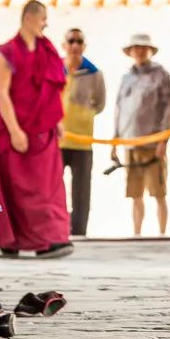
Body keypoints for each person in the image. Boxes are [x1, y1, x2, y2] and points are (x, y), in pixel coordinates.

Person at [0, 0, 73, 259]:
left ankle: (50, 239)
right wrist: (14, 130)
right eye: (42, 17)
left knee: (48, 188)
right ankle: (12, 240)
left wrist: (57, 121)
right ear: (28, 18)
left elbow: (51, 88)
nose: (45, 23)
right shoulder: (6, 52)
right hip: (16, 128)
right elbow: (1, 93)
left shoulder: (46, 50)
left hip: (42, 130)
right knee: (17, 188)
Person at [112, 32, 170, 237]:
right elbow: (118, 109)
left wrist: (164, 139)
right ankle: (137, 233)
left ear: (150, 50)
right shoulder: (126, 78)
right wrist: (115, 141)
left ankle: (162, 233)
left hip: (153, 142)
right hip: (130, 142)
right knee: (135, 193)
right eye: (136, 48)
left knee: (158, 191)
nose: (139, 51)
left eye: (143, 47)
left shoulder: (161, 75)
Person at [60, 27, 105, 237]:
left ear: (84, 46)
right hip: (58, 139)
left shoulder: (94, 73)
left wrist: (83, 114)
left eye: (79, 41)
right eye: (71, 41)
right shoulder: (56, 68)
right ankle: (58, 228)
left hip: (82, 140)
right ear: (65, 45)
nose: (75, 45)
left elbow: (100, 103)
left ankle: (79, 231)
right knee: (54, 187)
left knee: (81, 190)